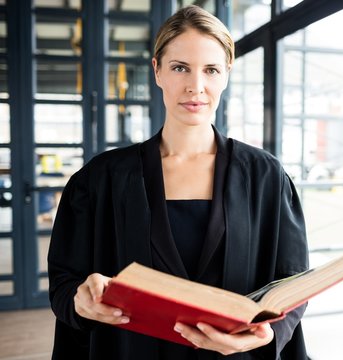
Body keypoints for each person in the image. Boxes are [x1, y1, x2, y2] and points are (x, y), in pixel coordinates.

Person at [47, 5, 309, 360]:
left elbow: (291, 284)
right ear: (157, 71)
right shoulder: (99, 179)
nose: (195, 87)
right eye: (180, 67)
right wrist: (82, 299)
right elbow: (65, 284)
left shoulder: (266, 176)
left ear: (226, 75)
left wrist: (265, 334)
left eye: (211, 70)